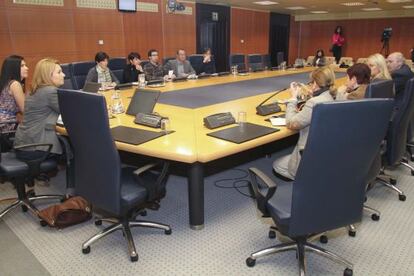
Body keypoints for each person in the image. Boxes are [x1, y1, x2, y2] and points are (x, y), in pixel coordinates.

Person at [273, 66, 336, 180]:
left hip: (308, 155)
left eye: (311, 83)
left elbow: (292, 123)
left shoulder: (314, 103)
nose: (310, 85)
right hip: (326, 153)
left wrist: (293, 99)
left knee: (277, 165)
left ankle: (305, 179)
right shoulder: (334, 96)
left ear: (316, 84)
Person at [14, 58, 65, 160]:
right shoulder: (50, 91)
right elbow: (70, 112)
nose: (63, 75)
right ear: (48, 75)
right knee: (74, 149)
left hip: (24, 144)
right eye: (59, 72)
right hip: (36, 147)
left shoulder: (36, 90)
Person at [0, 55, 28, 133]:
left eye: (25, 65)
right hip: (7, 126)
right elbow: (25, 110)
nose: (26, 68)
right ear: (13, 68)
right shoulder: (15, 84)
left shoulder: (6, 82)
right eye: (22, 66)